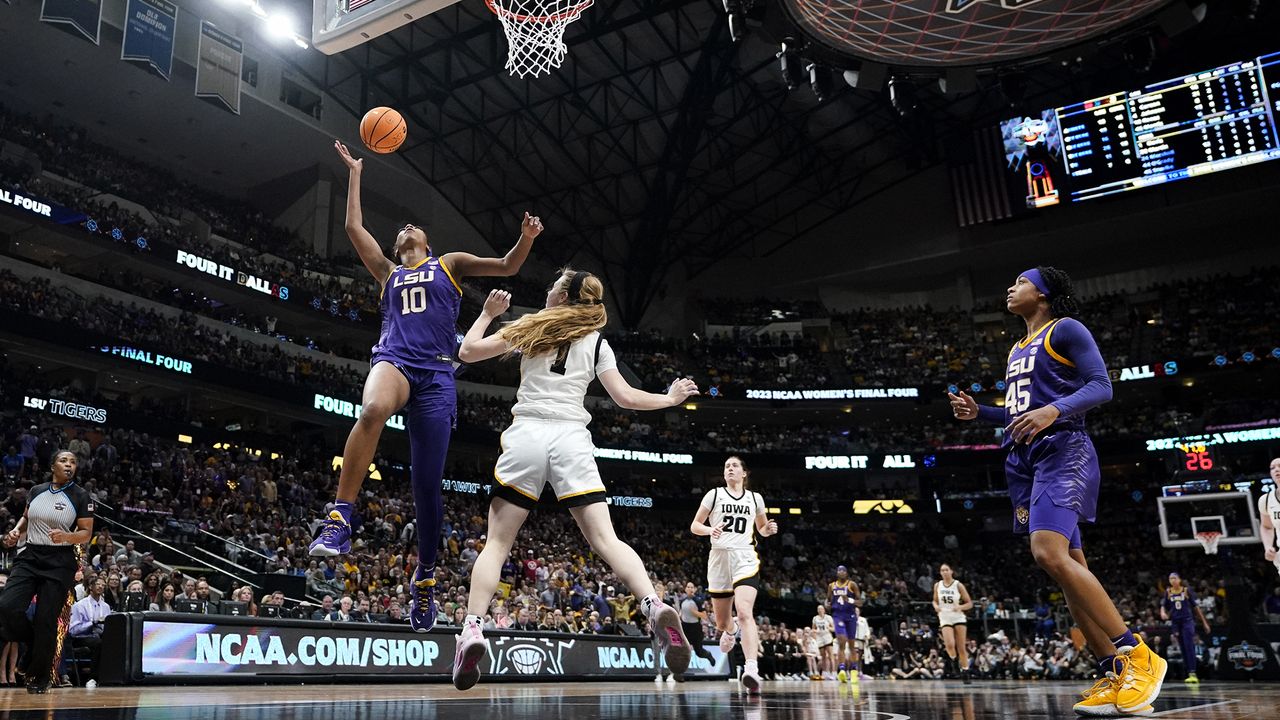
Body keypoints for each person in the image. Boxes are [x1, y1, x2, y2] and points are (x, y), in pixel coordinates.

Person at [308, 140, 544, 636]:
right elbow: (353, 228)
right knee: (371, 409)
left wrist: (525, 238)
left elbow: (507, 267)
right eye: (402, 230)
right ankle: (340, 515)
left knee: (427, 489)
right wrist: (354, 173)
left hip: (437, 375)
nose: (408, 227)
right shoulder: (388, 273)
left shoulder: (449, 264)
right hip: (394, 360)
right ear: (398, 248)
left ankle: (426, 578)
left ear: (428, 242)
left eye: (414, 227)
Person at [449, 273, 697, 691]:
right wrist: (670, 399)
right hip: (571, 439)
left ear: (561, 296)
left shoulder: (532, 325)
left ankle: (473, 628)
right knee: (606, 541)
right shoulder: (597, 342)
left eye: (553, 285)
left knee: (497, 543)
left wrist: (488, 314)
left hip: (527, 433)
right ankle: (653, 605)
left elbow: (468, 352)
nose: (547, 289)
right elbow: (626, 398)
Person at [949, 267, 1165, 716]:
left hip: (1063, 449)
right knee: (1066, 568)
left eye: (1020, 281)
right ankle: (1112, 670)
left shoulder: (1065, 329)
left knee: (1047, 553)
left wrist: (1053, 411)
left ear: (1043, 292)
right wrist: (982, 413)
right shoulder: (1016, 348)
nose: (1010, 287)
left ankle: (1138, 655)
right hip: (1022, 460)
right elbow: (1017, 410)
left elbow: (1101, 386)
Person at [0, 450, 94, 693]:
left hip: (60, 560)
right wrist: (15, 532)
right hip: (30, 555)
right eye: (64, 460)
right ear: (53, 465)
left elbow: (86, 533)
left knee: (46, 619)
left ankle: (40, 676)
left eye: (73, 462)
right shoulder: (37, 490)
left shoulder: (81, 496)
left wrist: (67, 536)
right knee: (7, 606)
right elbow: (27, 517)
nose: (69, 465)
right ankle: (31, 645)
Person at [690, 456, 778, 694]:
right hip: (719, 559)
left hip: (745, 557)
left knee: (745, 611)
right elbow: (694, 525)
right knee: (721, 621)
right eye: (727, 466)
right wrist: (710, 529)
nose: (729, 469)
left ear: (744, 473)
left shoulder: (755, 498)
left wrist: (767, 530)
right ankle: (731, 631)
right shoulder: (714, 494)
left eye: (734, 466)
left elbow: (761, 528)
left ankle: (751, 669)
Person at [1160, 572, 1210, 683]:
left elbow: (1196, 607)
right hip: (1175, 623)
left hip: (1187, 621)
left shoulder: (1186, 590)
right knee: (1182, 647)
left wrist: (1204, 622)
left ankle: (1193, 672)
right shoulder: (1168, 592)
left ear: (1179, 579)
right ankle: (1189, 672)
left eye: (1174, 578)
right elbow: (1163, 606)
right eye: (1170, 578)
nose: (1172, 580)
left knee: (1189, 645)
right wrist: (1163, 612)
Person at [932, 563, 974, 684]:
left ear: (951, 571)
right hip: (944, 616)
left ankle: (965, 671)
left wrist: (960, 606)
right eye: (942, 570)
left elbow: (969, 603)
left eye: (946, 570)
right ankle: (953, 660)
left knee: (961, 646)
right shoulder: (937, 585)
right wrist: (936, 607)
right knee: (949, 644)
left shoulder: (958, 585)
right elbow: (934, 601)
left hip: (958, 616)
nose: (944, 572)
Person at [67, 577, 110, 687]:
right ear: (91, 586)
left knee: (110, 641)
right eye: (98, 584)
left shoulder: (106, 606)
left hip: (99, 635)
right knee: (98, 643)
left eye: (103, 585)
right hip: (81, 637)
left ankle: (110, 676)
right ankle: (93, 677)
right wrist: (92, 623)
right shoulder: (79, 605)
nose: (100, 587)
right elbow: (73, 630)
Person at [828, 564, 861, 683]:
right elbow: (828, 601)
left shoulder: (852, 584)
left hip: (850, 616)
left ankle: (853, 670)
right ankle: (841, 670)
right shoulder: (831, 586)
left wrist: (850, 600)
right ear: (836, 573)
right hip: (838, 616)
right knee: (842, 641)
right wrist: (827, 605)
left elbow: (860, 602)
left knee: (852, 645)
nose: (841, 572)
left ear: (846, 573)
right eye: (839, 570)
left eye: (843, 570)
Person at [679, 582, 716, 664]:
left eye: (692, 587)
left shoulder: (698, 601)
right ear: (685, 589)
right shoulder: (682, 601)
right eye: (688, 587)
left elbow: (704, 616)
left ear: (694, 589)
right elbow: (681, 613)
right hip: (685, 627)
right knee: (682, 649)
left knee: (699, 652)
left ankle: (708, 655)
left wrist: (695, 612)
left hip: (695, 628)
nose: (690, 589)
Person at [1260, 458, 1280, 577]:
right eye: (1273, 468)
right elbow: (1267, 527)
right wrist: (1268, 547)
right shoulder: (1266, 500)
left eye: (1279, 466)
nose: (1276, 469)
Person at [812, 604, 835, 679]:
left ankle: (833, 672)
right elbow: (813, 629)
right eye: (818, 609)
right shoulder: (815, 618)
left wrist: (829, 628)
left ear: (824, 610)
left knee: (831, 656)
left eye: (821, 609)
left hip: (827, 637)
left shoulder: (828, 617)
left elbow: (834, 628)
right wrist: (816, 632)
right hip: (820, 638)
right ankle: (825, 672)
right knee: (823, 656)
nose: (820, 610)